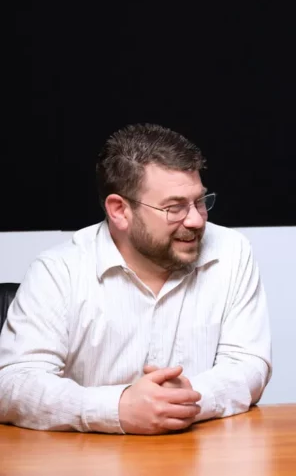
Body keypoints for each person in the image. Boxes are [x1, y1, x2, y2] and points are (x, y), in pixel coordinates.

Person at [0, 123, 273, 434]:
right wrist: (117, 408)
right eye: (174, 208)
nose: (197, 220)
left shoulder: (232, 252)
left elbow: (248, 365)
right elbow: (13, 383)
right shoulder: (58, 271)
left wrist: (183, 401)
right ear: (119, 211)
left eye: (200, 201)